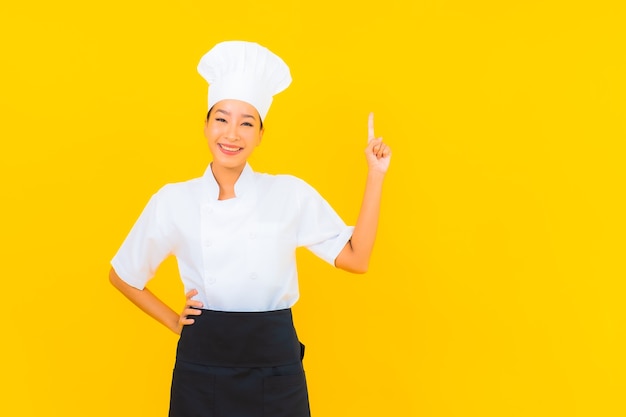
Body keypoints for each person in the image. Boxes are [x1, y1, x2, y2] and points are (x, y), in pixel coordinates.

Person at [109, 40, 391, 417]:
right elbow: (123, 274)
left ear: (261, 134)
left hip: (275, 365)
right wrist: (175, 321)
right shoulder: (173, 200)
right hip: (202, 363)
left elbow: (357, 258)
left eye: (247, 123)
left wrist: (375, 175)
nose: (232, 134)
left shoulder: (288, 193)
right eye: (221, 119)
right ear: (206, 125)